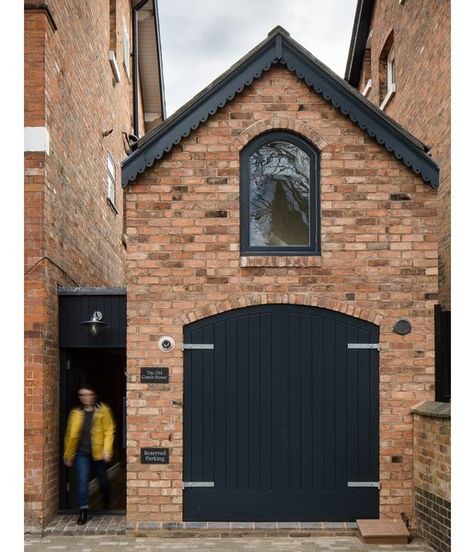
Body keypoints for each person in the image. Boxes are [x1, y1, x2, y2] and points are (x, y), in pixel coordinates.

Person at [63, 383, 116, 524]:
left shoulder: (103, 410)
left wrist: (107, 449)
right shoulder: (75, 413)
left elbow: (109, 430)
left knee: (102, 480)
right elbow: (70, 434)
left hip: (99, 453)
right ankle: (83, 511)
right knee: (82, 481)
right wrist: (68, 454)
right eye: (82, 395)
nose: (86, 398)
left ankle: (106, 495)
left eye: (89, 394)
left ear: (94, 395)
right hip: (81, 453)